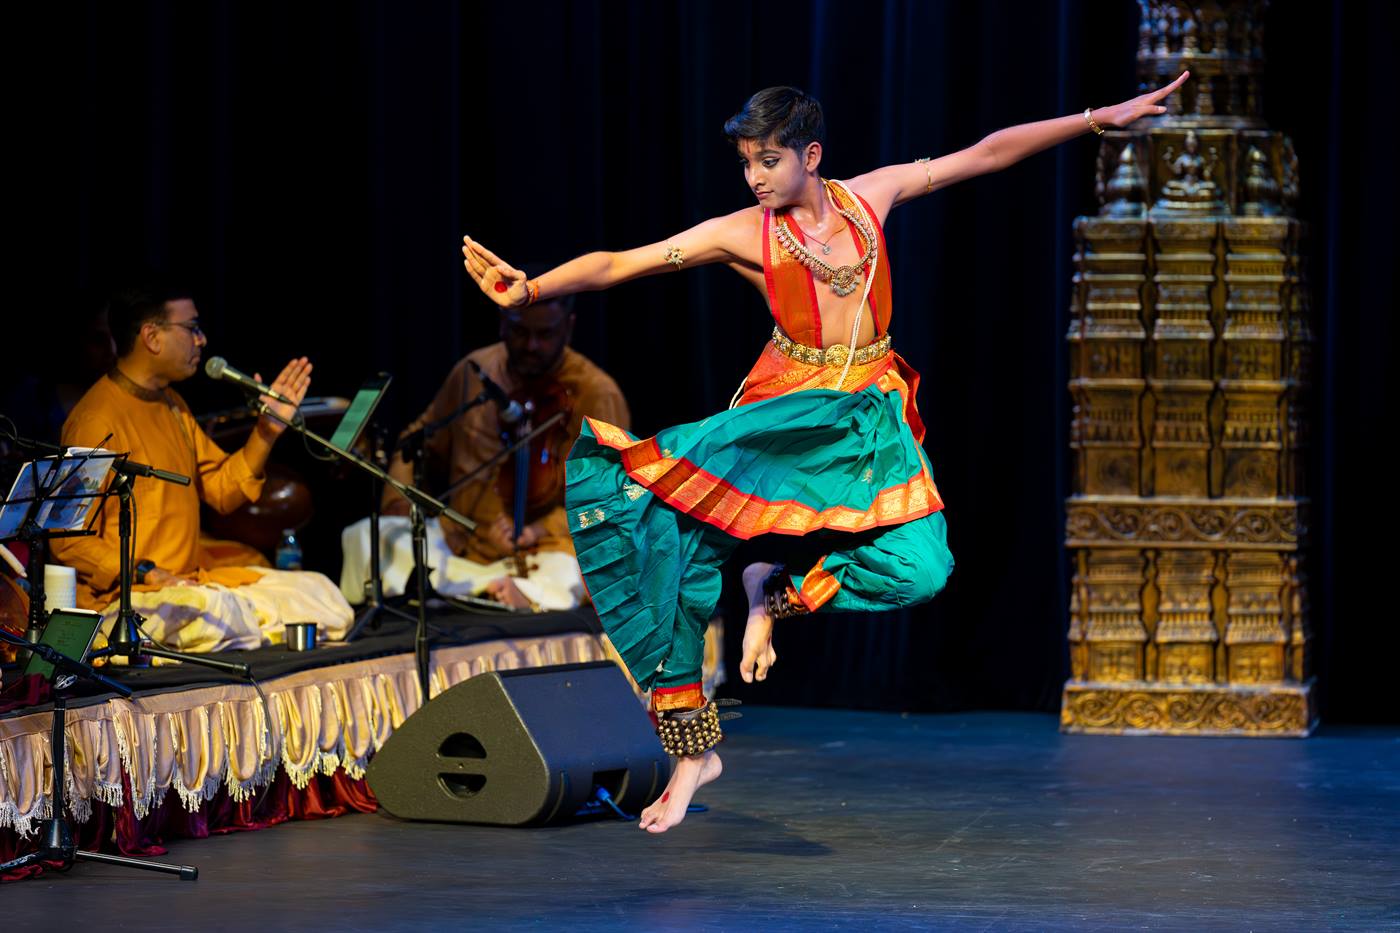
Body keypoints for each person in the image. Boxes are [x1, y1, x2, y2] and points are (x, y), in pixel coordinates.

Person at [461, 74, 1190, 833]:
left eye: (768, 160)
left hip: (870, 411)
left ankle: (773, 590)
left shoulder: (871, 198)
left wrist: (1093, 118)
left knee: (923, 568)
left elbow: (988, 153)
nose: (755, 177)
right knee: (672, 526)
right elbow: (621, 262)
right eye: (746, 162)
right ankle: (689, 748)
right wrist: (530, 287)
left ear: (812, 155)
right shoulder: (745, 233)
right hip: (788, 405)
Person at [51, 284, 353, 652]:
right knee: (210, 612)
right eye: (191, 328)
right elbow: (66, 541)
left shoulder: (172, 405)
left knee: (321, 594)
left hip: (189, 585)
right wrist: (147, 572)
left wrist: (267, 430)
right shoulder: (94, 420)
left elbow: (224, 492)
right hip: (128, 599)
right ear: (151, 336)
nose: (202, 339)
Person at [341, 295, 630, 612]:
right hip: (461, 546)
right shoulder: (474, 372)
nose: (531, 345)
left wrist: (538, 530)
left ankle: (509, 596)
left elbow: (610, 499)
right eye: (521, 333)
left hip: (543, 552)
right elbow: (416, 442)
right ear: (503, 323)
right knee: (369, 537)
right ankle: (465, 593)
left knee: (572, 572)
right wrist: (397, 500)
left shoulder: (596, 392)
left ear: (568, 328)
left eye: (545, 335)